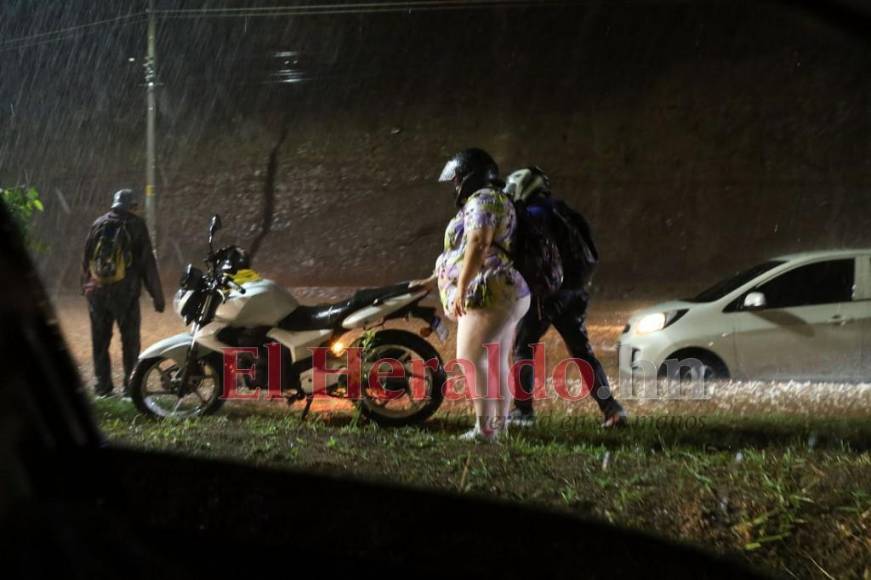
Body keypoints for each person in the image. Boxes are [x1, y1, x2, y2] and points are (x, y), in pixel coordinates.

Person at [412, 148, 530, 442]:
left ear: (469, 177)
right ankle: (497, 427)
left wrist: (461, 291)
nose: (455, 185)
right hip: (505, 291)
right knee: (495, 360)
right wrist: (432, 281)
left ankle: (484, 429)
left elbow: (478, 244)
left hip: (488, 292)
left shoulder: (484, 200)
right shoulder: (495, 200)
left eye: (457, 179)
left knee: (469, 358)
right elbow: (462, 251)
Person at [503, 167, 627, 428]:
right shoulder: (563, 209)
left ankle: (523, 412)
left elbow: (522, 252)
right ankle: (612, 410)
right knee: (582, 352)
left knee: (523, 348)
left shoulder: (532, 214)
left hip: (547, 293)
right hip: (575, 291)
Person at [81, 189, 164, 398]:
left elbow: (86, 259)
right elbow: (147, 263)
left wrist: (87, 288)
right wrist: (157, 295)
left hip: (98, 294)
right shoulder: (136, 225)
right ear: (132, 206)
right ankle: (131, 388)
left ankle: (102, 387)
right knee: (130, 341)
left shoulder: (98, 224)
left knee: (100, 341)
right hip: (125, 294)